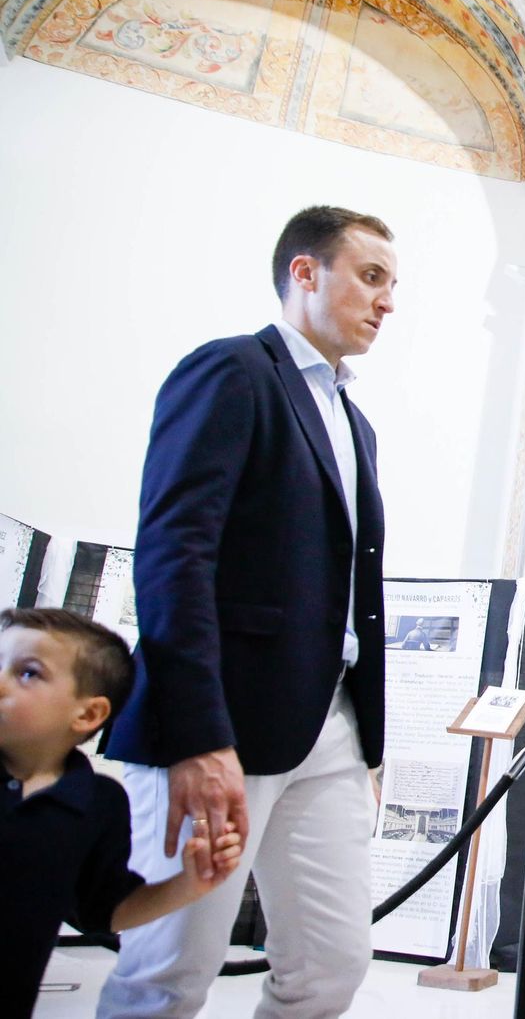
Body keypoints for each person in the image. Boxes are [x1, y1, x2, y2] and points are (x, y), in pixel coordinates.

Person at [99, 206, 396, 1018]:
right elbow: (175, 552)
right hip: (222, 715)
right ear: (305, 272)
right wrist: (198, 734)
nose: (387, 301)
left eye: (392, 285)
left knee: (332, 966)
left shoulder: (356, 423)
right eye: (371, 276)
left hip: (330, 725)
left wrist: (366, 743)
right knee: (169, 975)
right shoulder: (232, 371)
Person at [0, 608, 243, 1017]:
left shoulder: (97, 803)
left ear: (88, 714)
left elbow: (108, 910)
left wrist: (188, 884)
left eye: (27, 673)